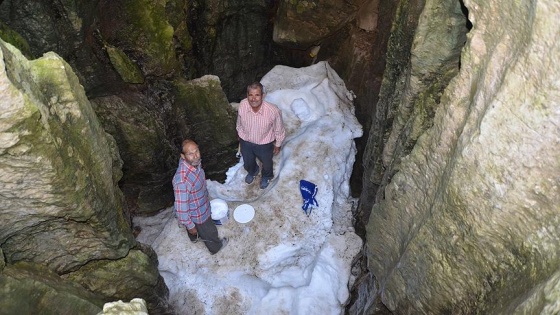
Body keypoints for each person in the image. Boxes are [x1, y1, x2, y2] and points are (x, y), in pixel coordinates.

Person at [172, 139, 228, 255]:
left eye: (196, 151)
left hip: (200, 202)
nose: (195, 156)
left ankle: (195, 237)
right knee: (210, 231)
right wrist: (190, 225)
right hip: (199, 214)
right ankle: (215, 247)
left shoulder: (193, 163)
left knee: (196, 230)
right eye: (190, 153)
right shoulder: (182, 181)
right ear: (183, 156)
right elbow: (181, 209)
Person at [236, 82, 286, 189]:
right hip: (246, 141)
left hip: (264, 143)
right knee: (248, 161)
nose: (253, 99)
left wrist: (278, 144)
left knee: (267, 163)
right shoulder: (243, 105)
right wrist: (239, 134)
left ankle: (266, 176)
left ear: (263, 96)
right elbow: (239, 122)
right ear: (247, 95)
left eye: (257, 95)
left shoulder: (273, 111)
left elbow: (279, 129)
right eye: (251, 95)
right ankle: (253, 170)